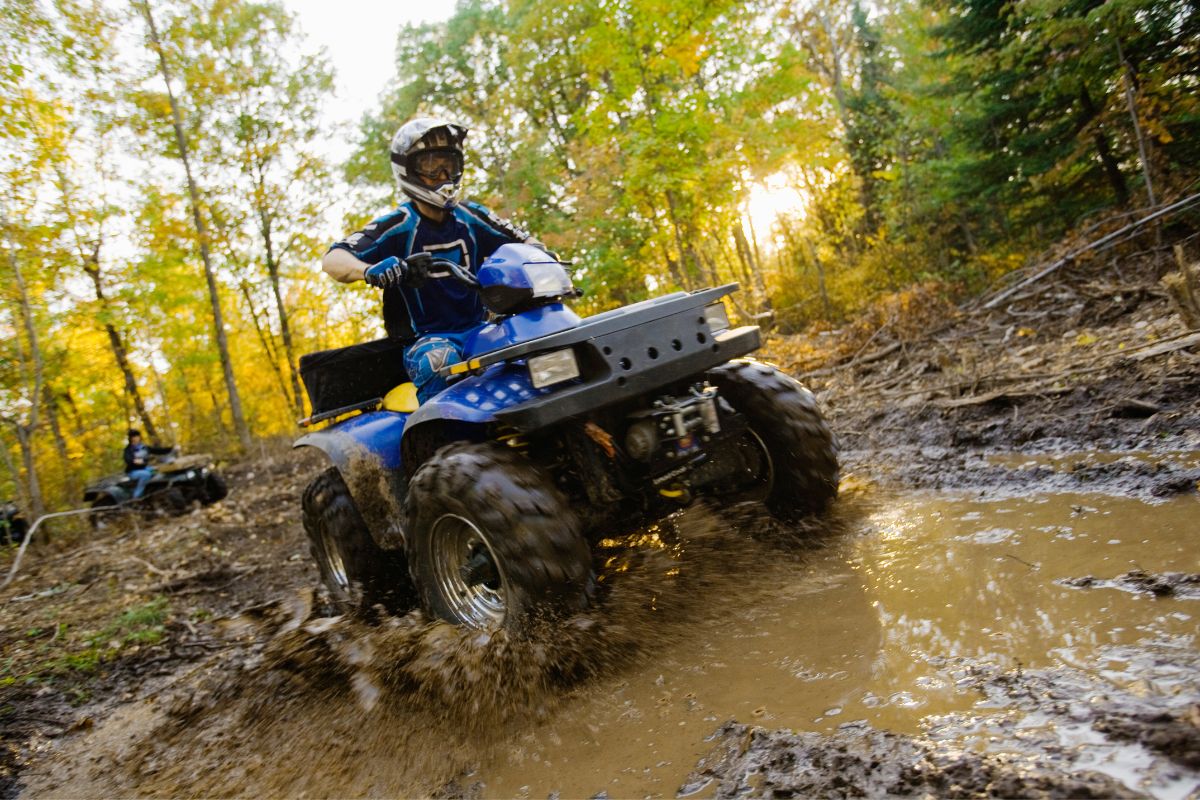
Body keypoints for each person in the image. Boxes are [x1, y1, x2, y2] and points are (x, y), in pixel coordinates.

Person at [322, 117, 549, 403]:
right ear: (408, 169)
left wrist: (543, 259)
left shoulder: (472, 216)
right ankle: (445, 442)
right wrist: (369, 271)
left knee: (539, 339)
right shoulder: (398, 225)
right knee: (438, 360)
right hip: (429, 340)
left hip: (484, 329)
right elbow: (333, 260)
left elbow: (528, 242)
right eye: (431, 165)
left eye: (449, 165)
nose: (443, 174)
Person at [123, 429, 173, 500]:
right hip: (133, 472)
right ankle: (136, 496)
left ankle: (151, 491)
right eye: (133, 436)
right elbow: (127, 459)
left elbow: (158, 451)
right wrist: (134, 461)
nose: (136, 438)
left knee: (157, 471)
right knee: (146, 474)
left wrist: (171, 449)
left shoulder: (144, 447)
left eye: (137, 436)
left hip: (144, 468)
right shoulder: (128, 449)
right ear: (130, 438)